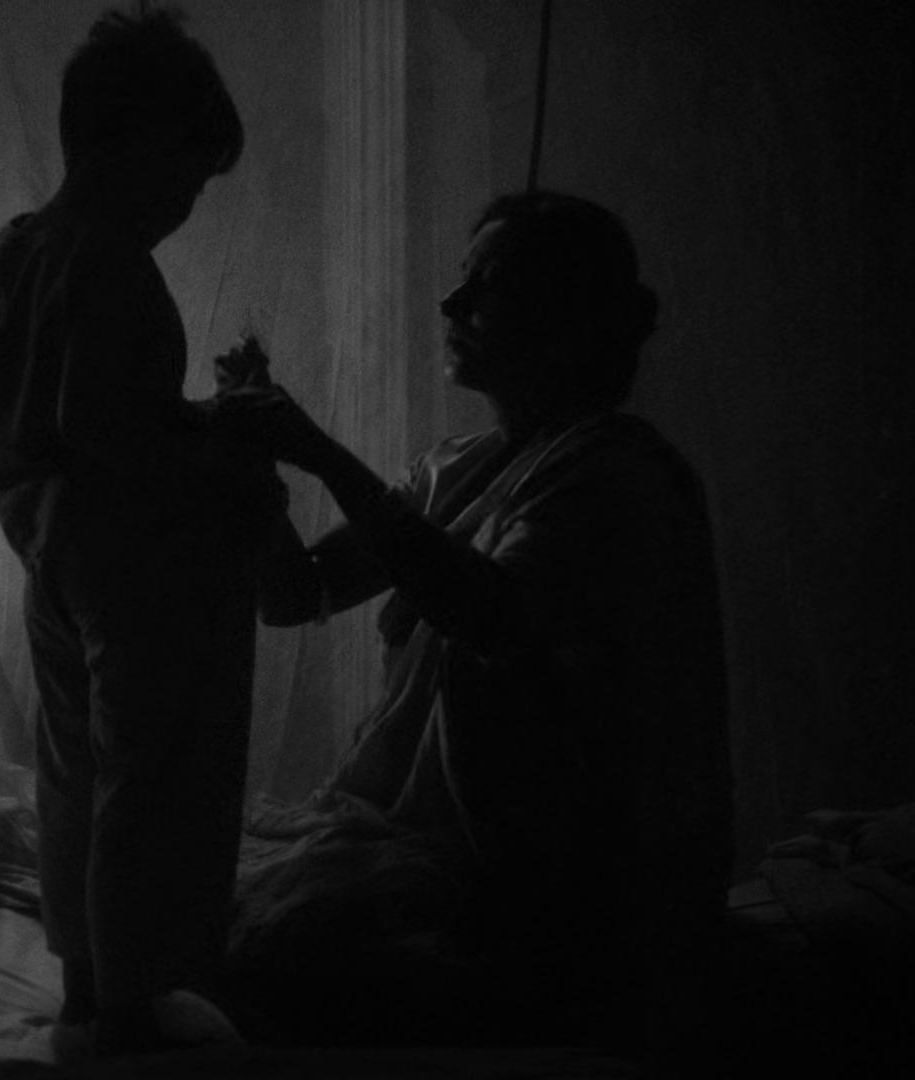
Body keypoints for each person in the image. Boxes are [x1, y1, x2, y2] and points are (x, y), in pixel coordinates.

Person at [223, 190, 735, 1060]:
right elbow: (295, 595)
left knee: (274, 960)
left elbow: (492, 613)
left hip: (549, 876)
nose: (451, 304)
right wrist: (259, 471)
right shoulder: (454, 468)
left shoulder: (618, 474)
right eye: (460, 280)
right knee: (196, 910)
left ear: (561, 315)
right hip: (431, 848)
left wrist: (319, 451)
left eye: (487, 286)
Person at [0, 4, 297, 1057]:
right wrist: (219, 431)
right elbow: (107, 430)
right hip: (134, 560)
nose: (184, 208)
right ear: (140, 147)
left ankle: (85, 986)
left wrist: (18, 416)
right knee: (147, 783)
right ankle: (127, 1005)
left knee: (75, 770)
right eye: (187, 181)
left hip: (50, 553)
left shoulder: (7, 253)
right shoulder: (115, 263)